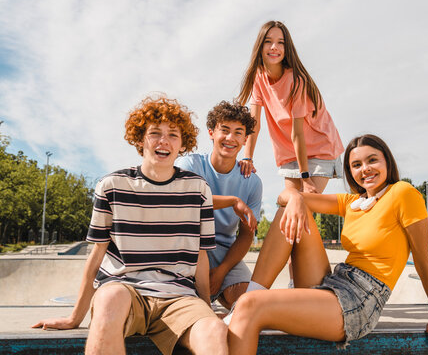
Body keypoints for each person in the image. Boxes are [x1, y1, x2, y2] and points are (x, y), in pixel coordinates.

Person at [32, 96, 228, 355]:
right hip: (124, 291)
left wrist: (206, 309)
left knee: (214, 331)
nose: (164, 141)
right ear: (139, 139)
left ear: (182, 144)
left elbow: (201, 257)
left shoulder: (198, 189)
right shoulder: (112, 186)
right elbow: (97, 255)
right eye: (155, 133)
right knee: (110, 299)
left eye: (173, 135)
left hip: (178, 297)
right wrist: (75, 317)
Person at [228, 134, 428, 355]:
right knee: (288, 209)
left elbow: (424, 262)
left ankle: (241, 307)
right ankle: (250, 295)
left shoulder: (403, 193)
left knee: (250, 306)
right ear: (350, 171)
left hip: (361, 298)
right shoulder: (353, 202)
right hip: (336, 280)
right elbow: (283, 196)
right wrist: (298, 197)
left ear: (387, 161)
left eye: (372, 160)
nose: (365, 169)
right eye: (356, 164)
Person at [237, 20, 344, 195]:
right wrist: (247, 157)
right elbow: (254, 123)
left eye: (281, 43)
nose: (274, 47)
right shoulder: (259, 77)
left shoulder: (297, 80)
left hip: (320, 150)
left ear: (288, 49)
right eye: (268, 41)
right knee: (289, 212)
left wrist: (305, 178)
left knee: (303, 203)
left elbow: (298, 133)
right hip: (290, 153)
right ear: (260, 45)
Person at [177, 100, 262, 310]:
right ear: (211, 132)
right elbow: (186, 201)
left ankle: (223, 309)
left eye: (238, 132)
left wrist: (222, 270)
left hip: (224, 251)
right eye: (224, 130)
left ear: (245, 139)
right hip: (185, 248)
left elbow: (246, 235)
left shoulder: (251, 181)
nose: (230, 138)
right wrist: (233, 201)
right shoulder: (190, 165)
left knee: (251, 303)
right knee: (189, 306)